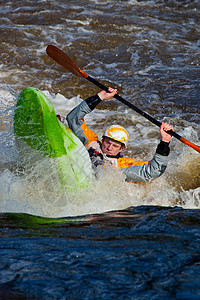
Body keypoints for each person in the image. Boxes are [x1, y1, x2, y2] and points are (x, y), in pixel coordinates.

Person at [66, 87, 174, 182]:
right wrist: (99, 97)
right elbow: (73, 118)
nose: (109, 147)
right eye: (108, 142)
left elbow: (153, 171)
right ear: (102, 139)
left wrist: (164, 141)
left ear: (122, 148)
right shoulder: (92, 142)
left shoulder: (123, 166)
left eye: (115, 146)